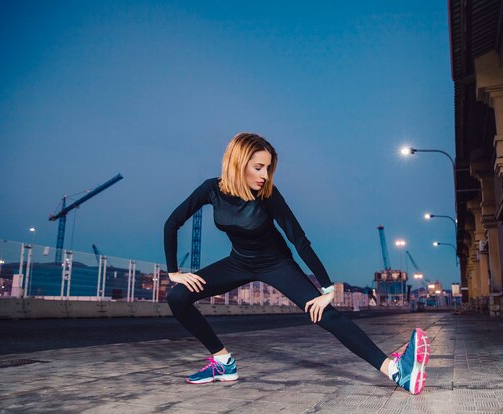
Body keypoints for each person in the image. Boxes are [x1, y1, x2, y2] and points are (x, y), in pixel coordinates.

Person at [164, 132, 430, 394]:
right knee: (177, 297)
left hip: (276, 264)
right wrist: (174, 272)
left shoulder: (268, 194)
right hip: (239, 262)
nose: (265, 176)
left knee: (324, 314)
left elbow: (299, 240)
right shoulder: (212, 189)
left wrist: (327, 289)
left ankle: (395, 370)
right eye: (259, 167)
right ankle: (223, 363)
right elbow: (172, 223)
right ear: (238, 163)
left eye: (268, 169)